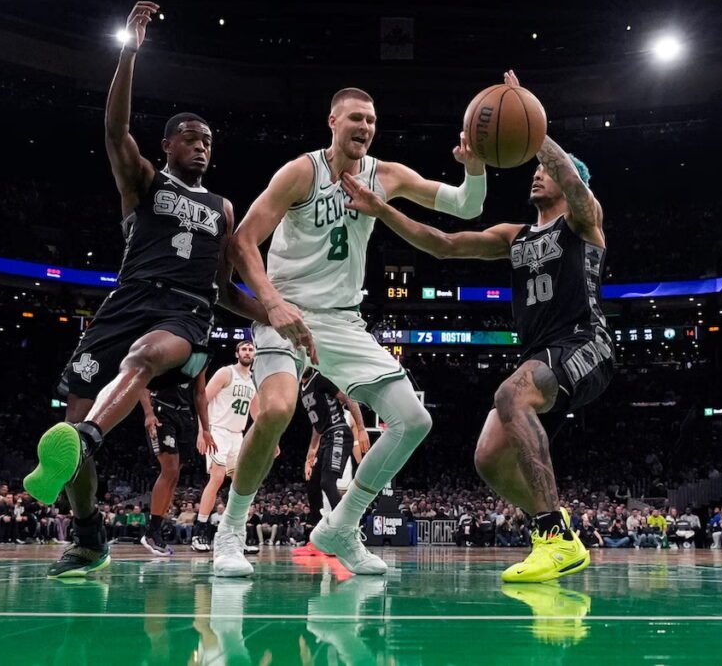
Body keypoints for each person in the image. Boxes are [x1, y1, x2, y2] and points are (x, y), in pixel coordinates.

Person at [22, 0, 268, 579]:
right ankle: (87, 533)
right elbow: (113, 128)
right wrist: (130, 51)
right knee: (67, 422)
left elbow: (226, 290)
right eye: (189, 137)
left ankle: (85, 438)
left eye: (208, 139)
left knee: (140, 362)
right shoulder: (143, 181)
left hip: (183, 312)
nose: (201, 144)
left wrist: (277, 315)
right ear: (167, 147)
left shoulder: (223, 208)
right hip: (126, 299)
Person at [339, 70, 613, 582]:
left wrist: (534, 130)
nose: (537, 175)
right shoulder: (515, 235)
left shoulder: (584, 220)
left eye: (546, 171)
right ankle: (556, 536)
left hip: (585, 342)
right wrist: (381, 209)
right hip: (541, 354)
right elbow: (442, 244)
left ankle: (552, 535)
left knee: (511, 396)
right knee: (487, 457)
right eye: (535, 168)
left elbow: (573, 182)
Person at [213, 82, 488, 576]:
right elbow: (242, 242)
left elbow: (467, 207)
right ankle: (230, 531)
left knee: (413, 420)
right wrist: (271, 305)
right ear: (333, 122)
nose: (365, 127)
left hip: (343, 321)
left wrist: (474, 166)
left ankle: (341, 526)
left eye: (372, 120)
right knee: (276, 409)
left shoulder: (387, 175)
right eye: (356, 117)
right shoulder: (302, 171)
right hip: (288, 311)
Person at [191, 341, 258, 552]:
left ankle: (235, 533)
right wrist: (203, 431)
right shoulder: (225, 373)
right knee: (217, 476)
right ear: (237, 353)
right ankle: (199, 532)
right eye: (244, 349)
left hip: (237, 435)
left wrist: (270, 438)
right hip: (217, 430)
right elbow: (203, 399)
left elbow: (256, 413)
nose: (247, 352)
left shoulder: (254, 380)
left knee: (241, 484)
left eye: (251, 349)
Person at [295, 370, 369, 556]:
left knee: (327, 483)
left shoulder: (320, 379)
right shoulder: (302, 388)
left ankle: (346, 532)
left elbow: (349, 399)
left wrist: (361, 429)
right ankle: (317, 534)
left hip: (339, 432)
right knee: (313, 486)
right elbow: (317, 425)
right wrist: (311, 452)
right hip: (327, 436)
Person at [139, 370, 208, 556]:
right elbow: (142, 380)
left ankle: (157, 529)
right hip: (162, 410)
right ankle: (151, 532)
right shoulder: (169, 347)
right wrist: (148, 413)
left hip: (185, 415)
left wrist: (206, 429)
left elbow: (200, 394)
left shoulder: (202, 356)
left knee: (175, 473)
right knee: (169, 470)